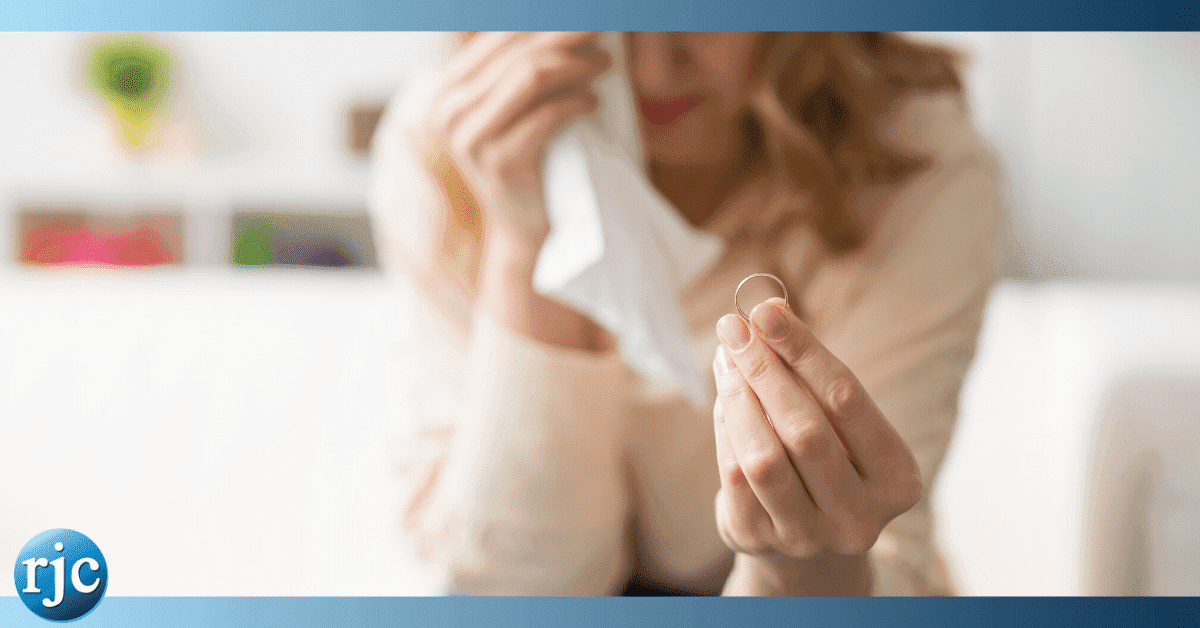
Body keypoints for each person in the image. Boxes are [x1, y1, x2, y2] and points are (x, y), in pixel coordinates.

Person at [368, 32, 1003, 596]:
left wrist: (800, 562)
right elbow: (510, 589)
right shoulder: (453, 144)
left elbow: (876, 559)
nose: (655, 68)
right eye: (613, 22)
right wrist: (525, 240)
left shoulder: (914, 163)